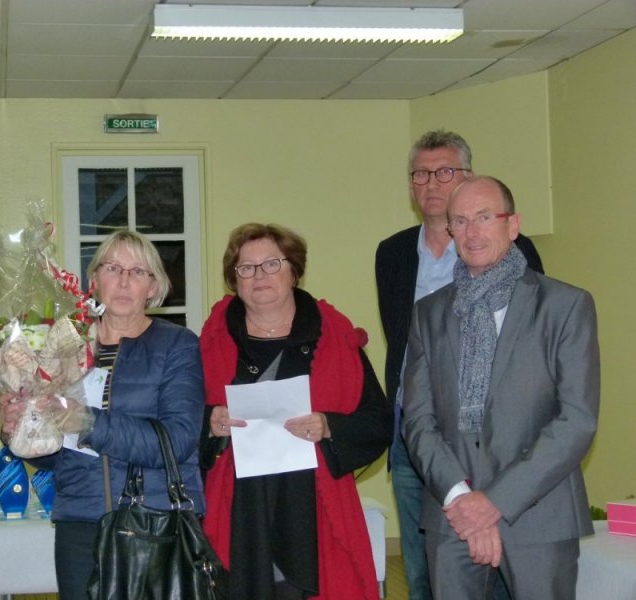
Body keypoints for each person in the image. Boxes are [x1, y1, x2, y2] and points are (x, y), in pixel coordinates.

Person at [402, 176, 599, 599]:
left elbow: (576, 420)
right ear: (450, 230)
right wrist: (461, 498)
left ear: (513, 225)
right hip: (452, 516)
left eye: (485, 217)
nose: (472, 231)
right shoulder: (428, 314)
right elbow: (418, 421)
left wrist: (493, 502)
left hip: (539, 515)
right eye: (460, 221)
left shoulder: (565, 306)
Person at [374, 130, 543, 599]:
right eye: (421, 173)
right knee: (424, 566)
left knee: (499, 564)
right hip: (416, 433)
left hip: (492, 437)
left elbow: (528, 342)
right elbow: (401, 340)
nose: (432, 182)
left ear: (469, 176)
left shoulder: (509, 248)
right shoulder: (392, 253)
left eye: (445, 171)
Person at [0, 230, 205, 600]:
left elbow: (178, 441)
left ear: (153, 287)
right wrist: (21, 428)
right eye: (113, 268)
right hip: (81, 527)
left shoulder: (178, 344)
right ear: (93, 280)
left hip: (158, 523)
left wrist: (88, 423)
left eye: (138, 272)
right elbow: (55, 457)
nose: (124, 281)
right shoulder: (63, 348)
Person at [200, 223, 393, 600]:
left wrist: (329, 426)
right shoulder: (211, 340)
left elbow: (378, 421)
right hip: (239, 508)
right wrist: (209, 422)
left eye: (272, 264)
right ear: (234, 280)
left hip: (313, 508)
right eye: (246, 268)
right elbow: (183, 417)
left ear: (294, 271)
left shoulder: (335, 336)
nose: (259, 276)